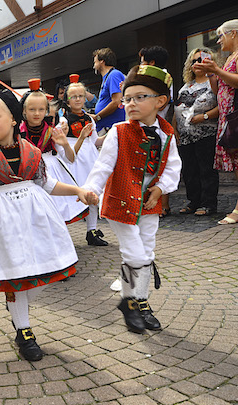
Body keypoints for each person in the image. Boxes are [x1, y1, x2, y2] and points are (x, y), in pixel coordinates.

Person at [0, 76, 98, 361]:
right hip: (1, 225)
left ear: (13, 119)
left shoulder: (32, 152)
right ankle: (24, 330)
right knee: (16, 279)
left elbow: (47, 183)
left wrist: (77, 190)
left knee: (37, 279)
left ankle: (17, 306)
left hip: (33, 221)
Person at [82, 65, 182, 333]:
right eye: (127, 98)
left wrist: (160, 189)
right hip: (120, 202)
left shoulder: (167, 134)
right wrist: (91, 189)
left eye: (140, 97)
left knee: (146, 252)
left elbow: (173, 167)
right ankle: (129, 302)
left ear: (160, 101)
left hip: (149, 204)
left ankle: (141, 301)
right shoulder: (118, 131)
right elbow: (103, 166)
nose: (130, 103)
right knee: (135, 254)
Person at [20, 79, 87, 224]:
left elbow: (70, 159)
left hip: (52, 172)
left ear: (46, 111)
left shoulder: (53, 131)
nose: (37, 113)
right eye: (32, 109)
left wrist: (65, 145)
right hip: (28, 175)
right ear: (24, 111)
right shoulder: (18, 133)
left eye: (41, 109)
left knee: (55, 216)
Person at [194, 20, 238, 224]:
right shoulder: (230, 57)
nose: (219, 40)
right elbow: (219, 89)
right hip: (228, 117)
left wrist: (218, 71)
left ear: (234, 34)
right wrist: (212, 72)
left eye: (221, 35)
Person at [58, 77, 108, 245]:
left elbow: (95, 141)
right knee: (73, 194)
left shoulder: (89, 118)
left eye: (81, 95)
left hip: (90, 158)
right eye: (74, 96)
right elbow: (62, 144)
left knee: (92, 191)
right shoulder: (63, 120)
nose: (78, 99)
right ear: (67, 100)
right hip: (73, 159)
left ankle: (91, 230)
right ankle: (63, 232)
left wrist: (111, 134)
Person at [173, 48, 219, 216]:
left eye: (201, 59)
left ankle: (208, 204)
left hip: (206, 133)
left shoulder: (214, 82)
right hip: (185, 135)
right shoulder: (187, 85)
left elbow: (222, 105)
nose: (197, 63)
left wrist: (204, 116)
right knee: (189, 170)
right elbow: (177, 108)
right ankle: (194, 201)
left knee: (206, 169)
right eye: (193, 61)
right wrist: (174, 128)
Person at [139, 45, 174, 216]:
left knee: (161, 164)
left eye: (143, 61)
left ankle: (162, 205)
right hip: (143, 125)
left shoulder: (163, 79)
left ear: (151, 62)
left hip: (157, 126)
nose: (141, 64)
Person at [92, 48, 126, 133]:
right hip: (106, 129)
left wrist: (97, 117)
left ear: (102, 61)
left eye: (95, 62)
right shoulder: (108, 77)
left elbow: (116, 102)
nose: (93, 66)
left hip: (111, 129)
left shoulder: (114, 75)